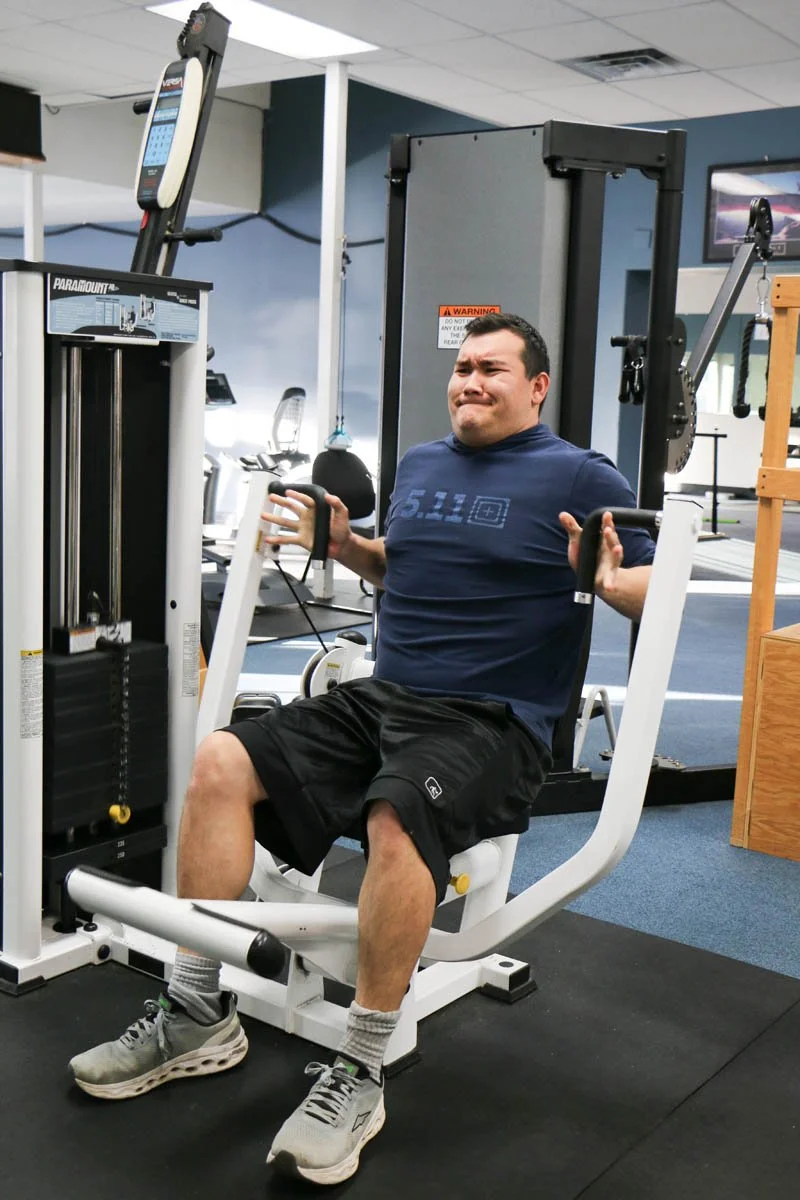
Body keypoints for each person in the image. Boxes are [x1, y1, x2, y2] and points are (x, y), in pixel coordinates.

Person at [69, 313, 656, 1185]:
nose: (470, 382)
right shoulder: (421, 464)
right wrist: (347, 547)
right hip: (384, 697)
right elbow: (400, 567)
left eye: (493, 369)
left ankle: (361, 1065)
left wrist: (607, 579)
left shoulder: (579, 474)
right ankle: (195, 1012)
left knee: (397, 812)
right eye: (463, 367)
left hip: (491, 720)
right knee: (222, 759)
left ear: (536, 386)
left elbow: (651, 582)